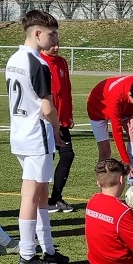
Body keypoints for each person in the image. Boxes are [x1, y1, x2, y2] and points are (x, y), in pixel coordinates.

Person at [5, 9, 69, 264]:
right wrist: (57, 127)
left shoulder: (13, 59)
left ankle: (49, 249)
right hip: (35, 135)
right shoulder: (38, 63)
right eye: (52, 35)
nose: (55, 40)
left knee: (41, 194)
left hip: (19, 133)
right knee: (32, 196)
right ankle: (28, 254)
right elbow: (46, 107)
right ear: (38, 33)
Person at [85, 74, 133, 172]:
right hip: (97, 108)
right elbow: (117, 132)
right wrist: (126, 161)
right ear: (129, 94)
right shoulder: (115, 98)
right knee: (105, 151)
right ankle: (101, 180)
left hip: (122, 106)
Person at [43, 40, 76, 213]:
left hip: (61, 121)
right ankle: (43, 200)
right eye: (52, 44)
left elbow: (66, 90)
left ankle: (55, 198)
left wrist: (68, 114)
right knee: (47, 159)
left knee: (67, 155)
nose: (56, 47)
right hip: (46, 120)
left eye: (57, 44)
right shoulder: (39, 61)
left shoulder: (62, 61)